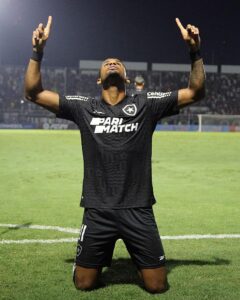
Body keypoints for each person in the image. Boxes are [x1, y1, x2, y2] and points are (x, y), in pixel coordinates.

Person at [24, 16, 205, 294]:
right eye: (107, 62)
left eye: (118, 62)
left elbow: (195, 91)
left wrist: (195, 52)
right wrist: (38, 51)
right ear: (99, 78)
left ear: (126, 77)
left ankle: (138, 256)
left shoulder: (146, 104)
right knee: (84, 284)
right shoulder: (83, 106)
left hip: (138, 208)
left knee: (157, 286)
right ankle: (89, 260)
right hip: (98, 210)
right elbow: (33, 92)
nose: (112, 63)